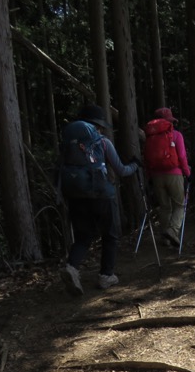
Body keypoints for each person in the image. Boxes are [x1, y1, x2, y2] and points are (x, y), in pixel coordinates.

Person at [58, 104, 140, 295]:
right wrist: (135, 165)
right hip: (101, 195)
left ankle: (71, 267)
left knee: (83, 236)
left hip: (75, 195)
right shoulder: (102, 142)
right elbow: (121, 170)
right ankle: (106, 275)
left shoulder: (68, 142)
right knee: (110, 235)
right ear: (97, 125)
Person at [144, 107, 191, 248]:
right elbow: (182, 156)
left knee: (165, 207)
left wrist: (149, 175)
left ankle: (165, 238)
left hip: (156, 175)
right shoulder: (176, 135)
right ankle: (172, 231)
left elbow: (146, 158)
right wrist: (187, 172)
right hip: (174, 173)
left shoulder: (150, 137)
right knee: (180, 204)